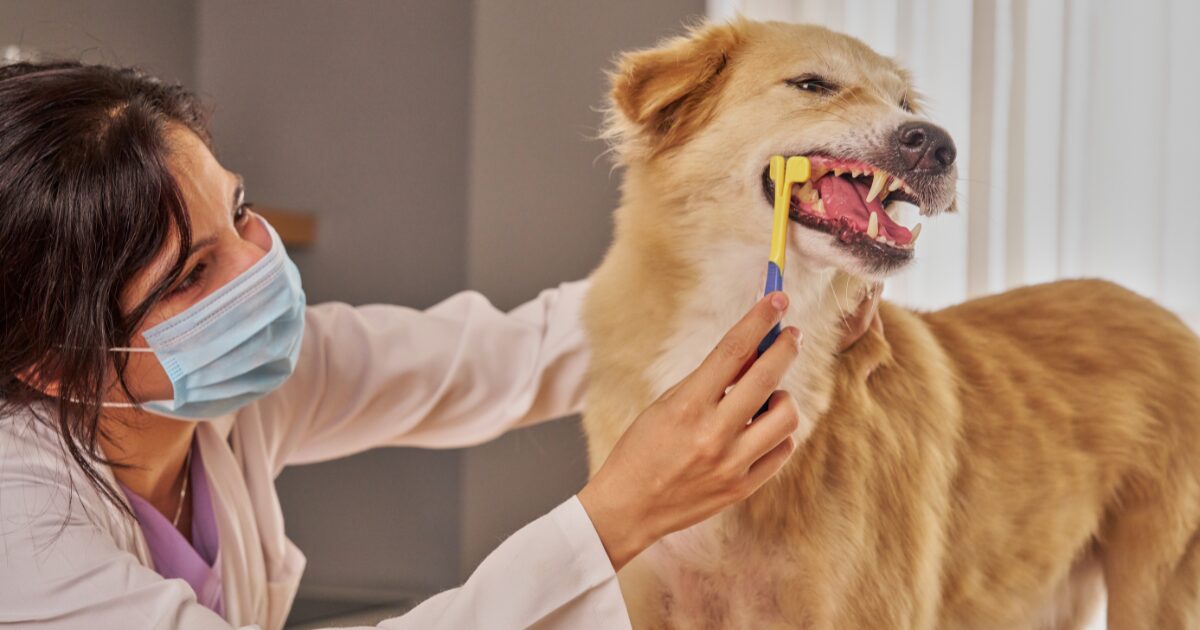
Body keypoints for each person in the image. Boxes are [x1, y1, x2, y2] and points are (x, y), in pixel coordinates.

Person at [0, 61, 880, 629]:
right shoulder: (22, 535)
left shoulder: (227, 389)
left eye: (239, 211)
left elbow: (506, 357)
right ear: (50, 361)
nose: (258, 265)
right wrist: (616, 518)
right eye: (192, 274)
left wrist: (778, 267)